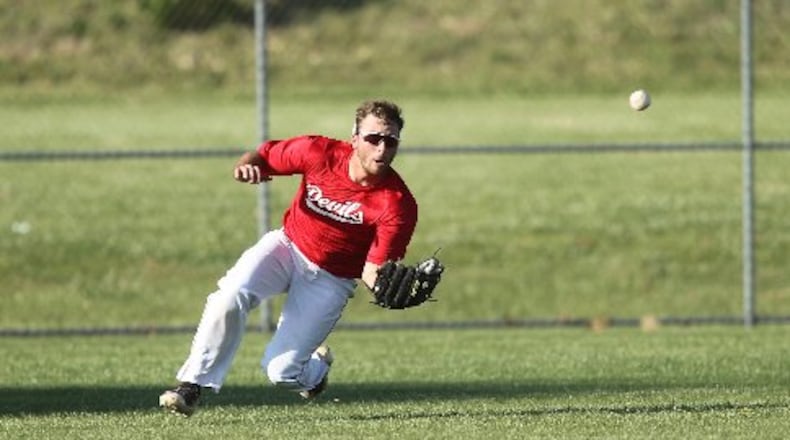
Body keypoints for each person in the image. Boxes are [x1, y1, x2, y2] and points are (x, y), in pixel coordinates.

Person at [159, 99, 418, 416]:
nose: (381, 148)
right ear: (354, 138)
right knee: (229, 296)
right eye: (373, 138)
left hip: (331, 279)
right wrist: (247, 165)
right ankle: (192, 385)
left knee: (280, 372)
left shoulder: (397, 204)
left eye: (390, 141)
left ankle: (315, 374)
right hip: (287, 247)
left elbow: (372, 268)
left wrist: (385, 288)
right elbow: (263, 155)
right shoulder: (319, 152)